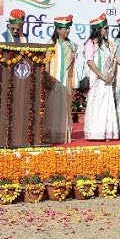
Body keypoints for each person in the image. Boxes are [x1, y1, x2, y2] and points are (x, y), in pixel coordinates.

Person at [81, 15, 119, 141]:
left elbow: (114, 60)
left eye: (107, 28)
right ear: (98, 30)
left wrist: (111, 75)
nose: (107, 31)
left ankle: (107, 133)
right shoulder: (91, 43)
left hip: (108, 78)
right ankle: (95, 133)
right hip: (97, 78)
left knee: (107, 104)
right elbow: (90, 62)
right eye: (105, 28)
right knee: (97, 104)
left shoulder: (109, 44)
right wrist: (102, 76)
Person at [46, 14, 78, 143]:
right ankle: (51, 135)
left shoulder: (71, 45)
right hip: (54, 80)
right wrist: (47, 80)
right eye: (65, 28)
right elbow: (46, 63)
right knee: (53, 108)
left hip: (66, 81)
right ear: (58, 29)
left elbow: (73, 67)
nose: (67, 31)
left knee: (64, 109)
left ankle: (63, 135)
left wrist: (73, 83)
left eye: (69, 28)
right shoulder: (51, 44)